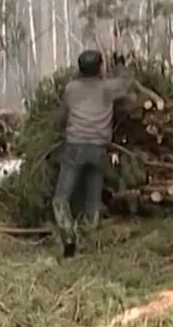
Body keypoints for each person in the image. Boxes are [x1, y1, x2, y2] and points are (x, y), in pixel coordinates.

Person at [52, 50, 133, 257]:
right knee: (93, 199)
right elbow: (124, 83)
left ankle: (69, 237)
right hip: (98, 149)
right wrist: (120, 64)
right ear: (99, 67)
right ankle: (92, 237)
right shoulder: (108, 88)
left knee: (61, 198)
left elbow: (63, 112)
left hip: (75, 148)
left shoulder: (71, 88)